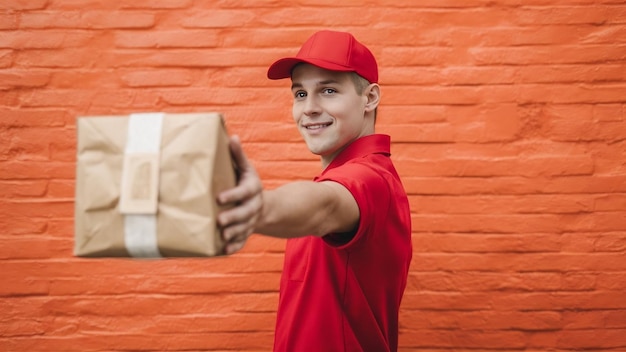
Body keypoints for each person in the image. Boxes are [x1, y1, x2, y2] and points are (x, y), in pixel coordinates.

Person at [217, 30, 412, 352]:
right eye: (300, 94)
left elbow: (324, 206)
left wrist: (258, 207)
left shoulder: (370, 179)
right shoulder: (348, 176)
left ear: (370, 98)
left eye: (329, 90)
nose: (309, 108)